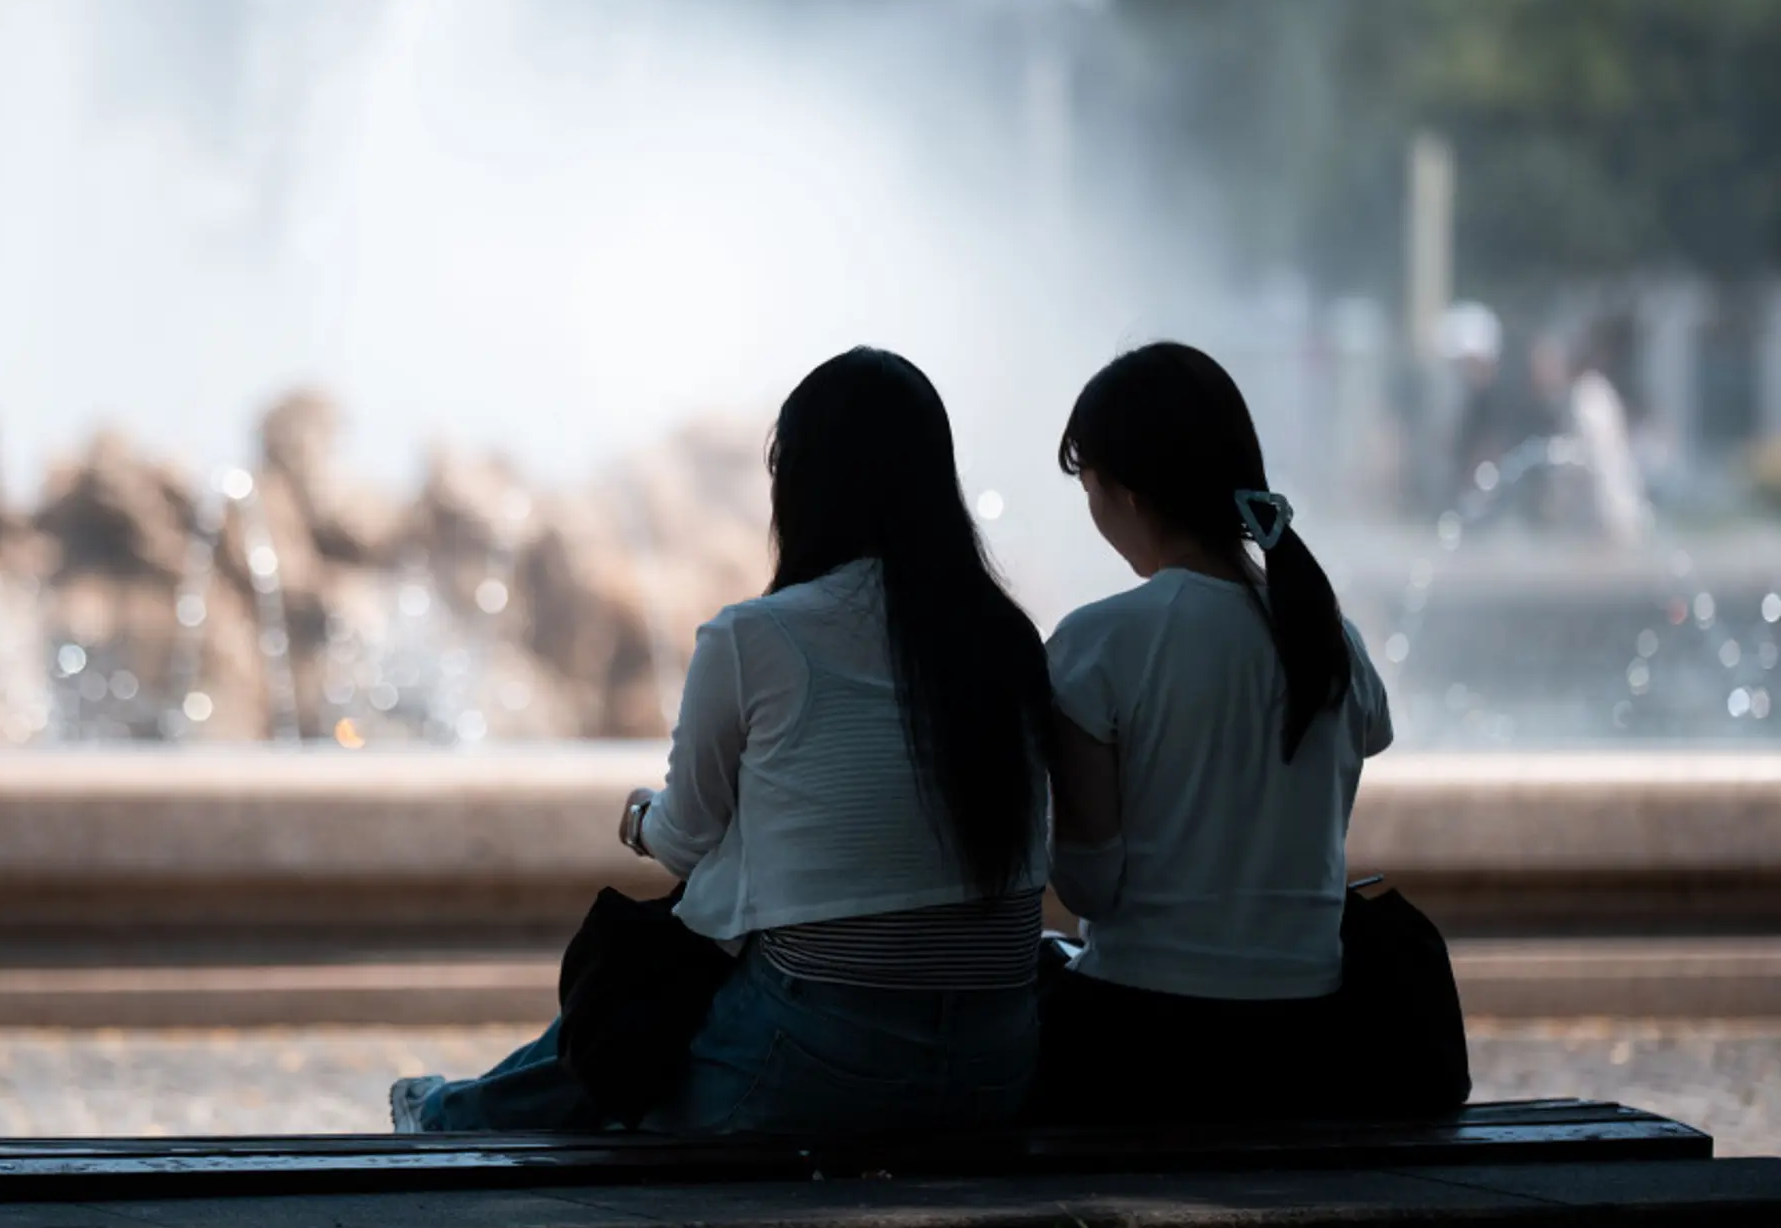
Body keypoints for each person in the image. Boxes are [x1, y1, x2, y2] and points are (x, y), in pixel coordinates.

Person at [391, 347, 1054, 1135]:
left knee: (640, 1007)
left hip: (815, 1071)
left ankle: (444, 1113)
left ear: (800, 479)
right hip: (995, 1066)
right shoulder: (1007, 637)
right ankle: (449, 1106)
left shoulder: (758, 636)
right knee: (664, 987)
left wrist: (636, 816)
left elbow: (683, 838)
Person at [1036, 342, 1394, 1120]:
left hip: (1150, 1043)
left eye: (1088, 486)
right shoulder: (1331, 638)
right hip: (1314, 1041)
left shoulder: (1100, 643)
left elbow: (1089, 884)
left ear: (1124, 493)